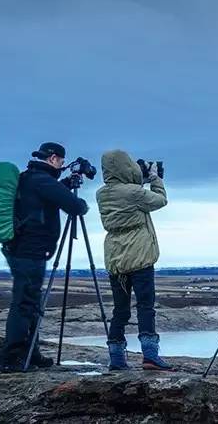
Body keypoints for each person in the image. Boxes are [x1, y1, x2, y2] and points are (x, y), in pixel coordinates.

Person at [0, 142, 89, 372]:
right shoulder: (41, 180)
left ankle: (30, 351)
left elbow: (47, 198)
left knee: (30, 301)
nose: (62, 166)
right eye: (61, 161)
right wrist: (81, 202)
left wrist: (66, 183)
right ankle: (12, 356)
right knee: (25, 302)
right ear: (53, 159)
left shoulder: (30, 177)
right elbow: (74, 206)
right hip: (29, 251)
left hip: (21, 248)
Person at [97, 150, 171, 371]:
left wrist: (140, 178)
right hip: (140, 256)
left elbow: (127, 191)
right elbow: (161, 200)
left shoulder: (101, 194)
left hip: (115, 257)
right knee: (145, 306)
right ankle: (150, 355)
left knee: (120, 310)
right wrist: (155, 178)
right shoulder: (134, 193)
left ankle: (117, 359)